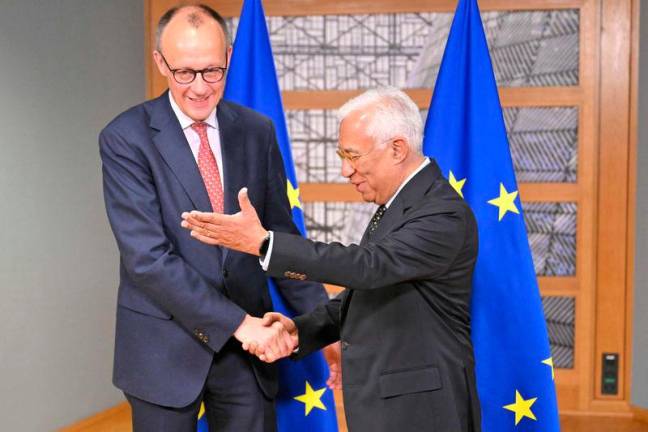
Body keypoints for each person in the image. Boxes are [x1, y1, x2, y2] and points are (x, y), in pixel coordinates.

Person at [181, 87, 482, 431]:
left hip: (422, 410)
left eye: (353, 156)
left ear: (397, 148)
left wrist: (265, 244)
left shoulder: (442, 214)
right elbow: (367, 295)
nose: (344, 170)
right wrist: (301, 330)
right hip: (387, 405)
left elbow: (367, 267)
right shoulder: (398, 205)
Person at [99, 4, 333, 432]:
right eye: (185, 72)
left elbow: (277, 237)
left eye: (213, 71)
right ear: (161, 63)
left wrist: (324, 326)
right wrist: (240, 325)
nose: (201, 87)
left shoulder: (257, 130)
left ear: (227, 57)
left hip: (246, 359)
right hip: (162, 351)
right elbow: (148, 259)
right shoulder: (125, 138)